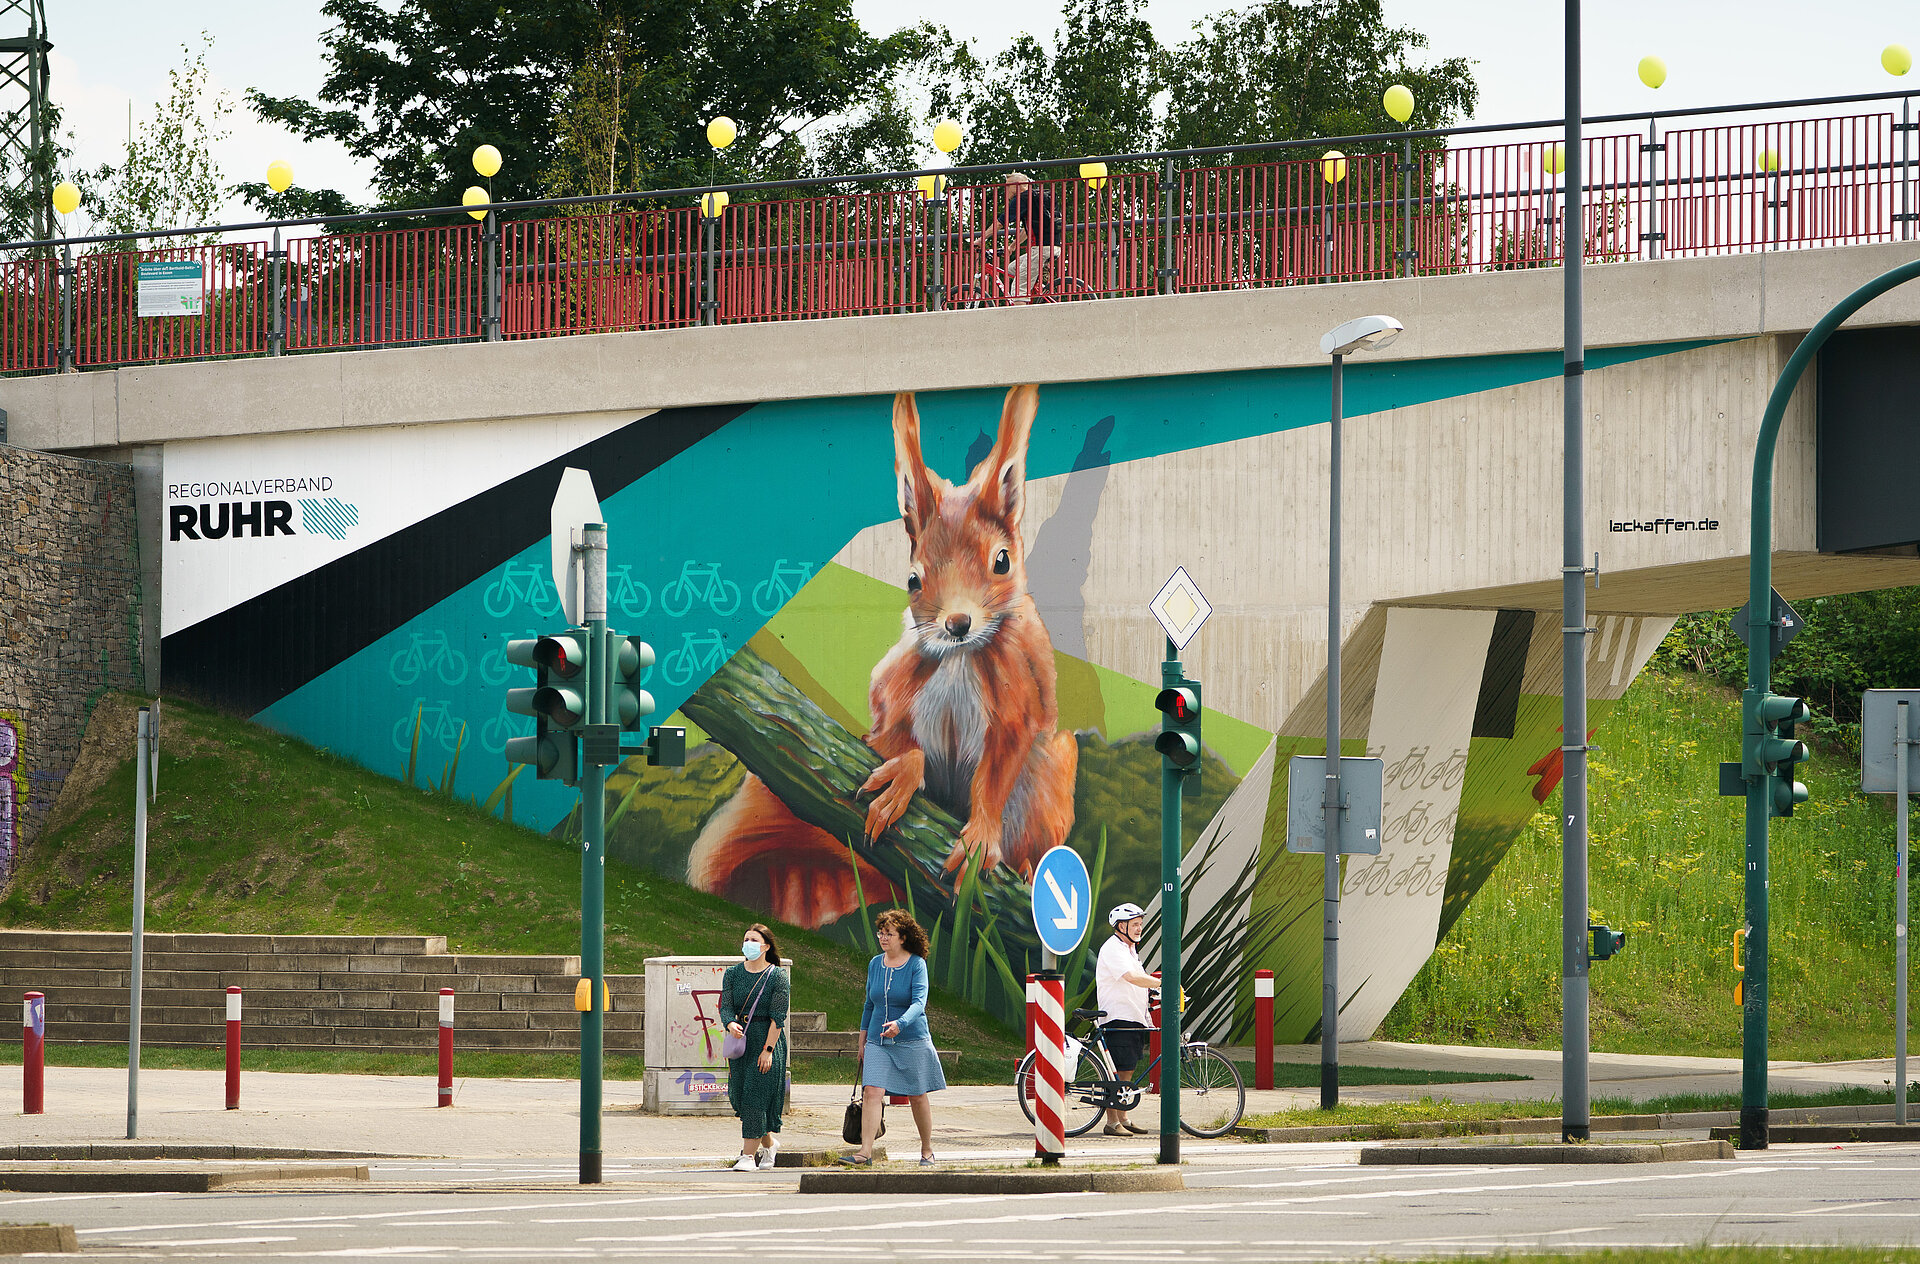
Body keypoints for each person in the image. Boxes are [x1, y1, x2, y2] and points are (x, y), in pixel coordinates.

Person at [839, 908, 946, 1166]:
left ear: (903, 937)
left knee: (917, 1094)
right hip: (878, 1040)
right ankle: (865, 1152)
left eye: (889, 933)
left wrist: (901, 1023)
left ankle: (927, 1149)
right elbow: (869, 1004)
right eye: (881, 933)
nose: (883, 938)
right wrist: (863, 1039)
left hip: (912, 1039)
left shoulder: (916, 964)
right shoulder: (875, 964)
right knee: (872, 1092)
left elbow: (920, 1002)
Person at [720, 923, 789, 1171]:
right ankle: (769, 1144)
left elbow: (778, 1017)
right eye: (746, 938)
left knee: (754, 1097)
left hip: (766, 1040)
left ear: (766, 946)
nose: (748, 943)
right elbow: (725, 1005)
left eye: (754, 940)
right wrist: (729, 1023)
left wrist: (768, 1050)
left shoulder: (777, 976)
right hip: (741, 1042)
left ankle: (748, 1156)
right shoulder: (733, 974)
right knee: (739, 1096)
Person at [1095, 901, 1158, 1137]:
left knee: (1128, 1070)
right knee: (1118, 1072)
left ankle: (1123, 1117)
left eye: (1140, 924)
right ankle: (1112, 1123)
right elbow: (1132, 977)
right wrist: (1162, 982)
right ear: (1121, 926)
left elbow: (1137, 979)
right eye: (1135, 924)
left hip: (1133, 1018)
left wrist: (1152, 990)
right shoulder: (1113, 948)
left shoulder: (1130, 950)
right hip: (1118, 1018)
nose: (1139, 928)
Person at [978, 172, 1062, 305]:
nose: (1006, 190)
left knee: (1017, 291)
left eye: (1007, 186)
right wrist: (1012, 246)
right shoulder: (1036, 197)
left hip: (1040, 249)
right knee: (1013, 268)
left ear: (1016, 186)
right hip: (1054, 247)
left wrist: (981, 239)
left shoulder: (1022, 199)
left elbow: (1001, 222)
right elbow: (1028, 230)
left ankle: (1021, 319)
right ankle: (1035, 287)